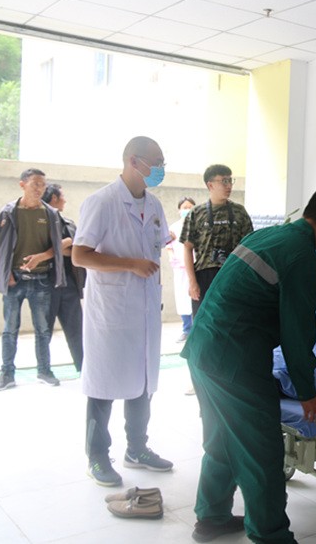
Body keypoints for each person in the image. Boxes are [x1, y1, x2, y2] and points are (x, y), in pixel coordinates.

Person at [182, 183, 316, 543]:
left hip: (203, 349)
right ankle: (271, 536)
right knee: (261, 450)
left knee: (221, 439)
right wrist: (307, 391)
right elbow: (297, 331)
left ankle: (212, 517)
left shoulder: (270, 236)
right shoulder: (302, 256)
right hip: (235, 360)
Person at [72, 136, 173, 487]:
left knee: (142, 383)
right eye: (156, 162)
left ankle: (137, 448)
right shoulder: (101, 202)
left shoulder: (155, 205)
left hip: (145, 310)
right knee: (103, 384)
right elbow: (80, 255)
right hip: (111, 313)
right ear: (134, 161)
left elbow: (156, 250)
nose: (160, 168)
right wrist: (130, 264)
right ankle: (97, 457)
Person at [0, 168, 66, 391]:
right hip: (14, 280)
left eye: (43, 185)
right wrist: (5, 274)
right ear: (22, 184)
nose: (40, 188)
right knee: (9, 329)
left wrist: (41, 257)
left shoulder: (50, 214)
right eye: (35, 184)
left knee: (43, 329)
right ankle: (7, 374)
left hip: (41, 280)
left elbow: (59, 246)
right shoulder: (9, 212)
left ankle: (44, 371)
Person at [180, 164, 253, 317]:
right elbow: (187, 248)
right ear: (210, 185)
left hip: (233, 274)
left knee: (231, 322)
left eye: (230, 181)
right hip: (204, 276)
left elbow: (249, 246)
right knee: (204, 323)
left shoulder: (239, 212)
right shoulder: (196, 213)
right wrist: (192, 282)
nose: (229, 186)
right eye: (224, 181)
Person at [42, 183, 86, 372]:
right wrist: (66, 244)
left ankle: (83, 368)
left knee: (76, 329)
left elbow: (77, 250)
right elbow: (41, 249)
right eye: (62, 196)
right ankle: (44, 370)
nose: (65, 200)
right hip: (46, 284)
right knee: (44, 332)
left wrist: (63, 246)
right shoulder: (39, 222)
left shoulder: (68, 223)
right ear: (54, 198)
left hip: (69, 284)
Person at [168, 196, 195, 342]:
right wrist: (173, 258)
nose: (188, 210)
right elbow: (168, 246)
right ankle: (186, 329)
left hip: (196, 266)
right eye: (185, 207)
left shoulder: (199, 225)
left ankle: (196, 329)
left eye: (190, 207)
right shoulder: (174, 228)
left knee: (196, 296)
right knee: (182, 297)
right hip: (179, 268)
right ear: (179, 210)